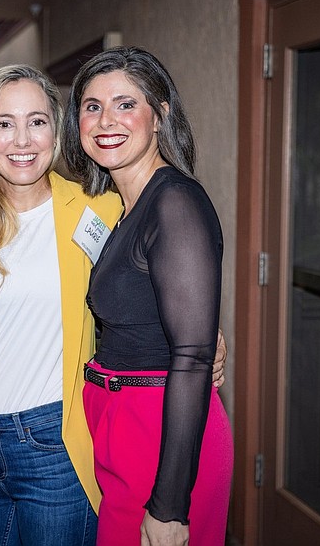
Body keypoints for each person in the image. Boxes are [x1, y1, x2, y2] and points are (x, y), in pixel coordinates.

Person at [0, 64, 228, 546]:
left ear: (57, 132)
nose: (22, 139)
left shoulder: (99, 209)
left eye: (37, 121)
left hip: (58, 440)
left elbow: (172, 295)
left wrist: (204, 344)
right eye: (4, 122)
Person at [65, 46, 233, 546]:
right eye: (91, 107)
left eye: (124, 104)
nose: (104, 121)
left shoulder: (174, 202)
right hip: (123, 426)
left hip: (161, 436)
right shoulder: (122, 205)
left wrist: (169, 505)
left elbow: (193, 354)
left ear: (159, 116)